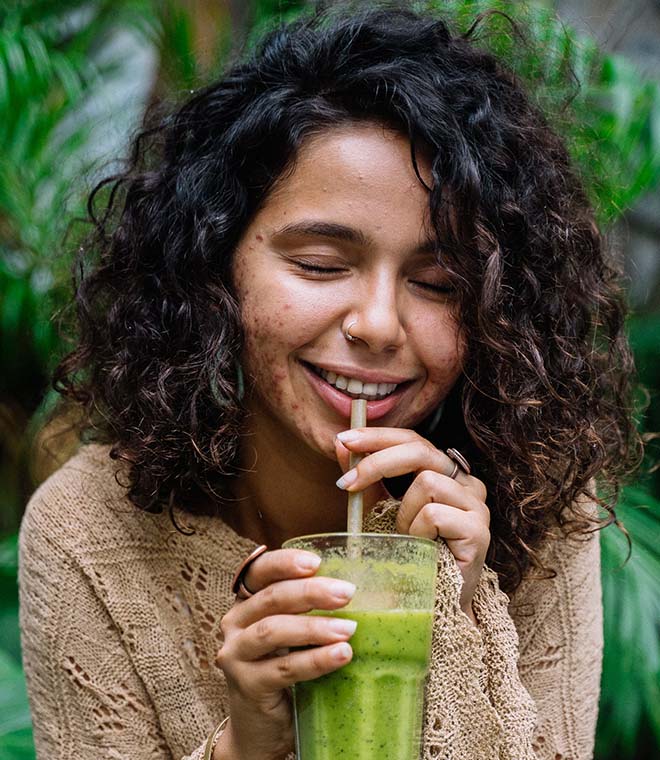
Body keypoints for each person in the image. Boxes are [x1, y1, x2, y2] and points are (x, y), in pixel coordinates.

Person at [18, 4, 638, 760]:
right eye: (319, 265)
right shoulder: (91, 533)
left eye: (439, 281)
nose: (378, 324)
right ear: (213, 265)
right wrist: (243, 748)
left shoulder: (539, 511)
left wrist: (460, 608)